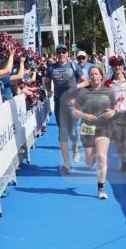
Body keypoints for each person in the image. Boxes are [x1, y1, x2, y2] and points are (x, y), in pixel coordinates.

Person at [72, 65, 118, 199]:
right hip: (87, 128)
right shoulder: (83, 92)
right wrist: (85, 116)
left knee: (102, 158)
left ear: (101, 76)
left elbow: (115, 107)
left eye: (96, 74)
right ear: (89, 77)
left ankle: (101, 188)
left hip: (104, 128)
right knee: (90, 161)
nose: (94, 76)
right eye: (91, 74)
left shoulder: (108, 91)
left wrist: (114, 111)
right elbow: (75, 111)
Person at [44, 46, 87, 175]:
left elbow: (85, 81)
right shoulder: (51, 67)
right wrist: (49, 90)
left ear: (67, 54)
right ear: (56, 54)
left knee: (73, 131)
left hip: (73, 103)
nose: (61, 54)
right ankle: (66, 163)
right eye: (59, 52)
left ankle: (75, 149)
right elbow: (47, 81)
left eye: (63, 52)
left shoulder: (74, 66)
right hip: (59, 104)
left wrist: (75, 86)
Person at [105, 56, 126, 171]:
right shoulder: (108, 83)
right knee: (119, 142)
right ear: (112, 67)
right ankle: (123, 163)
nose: (117, 67)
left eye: (119, 64)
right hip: (115, 116)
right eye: (114, 65)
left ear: (123, 66)